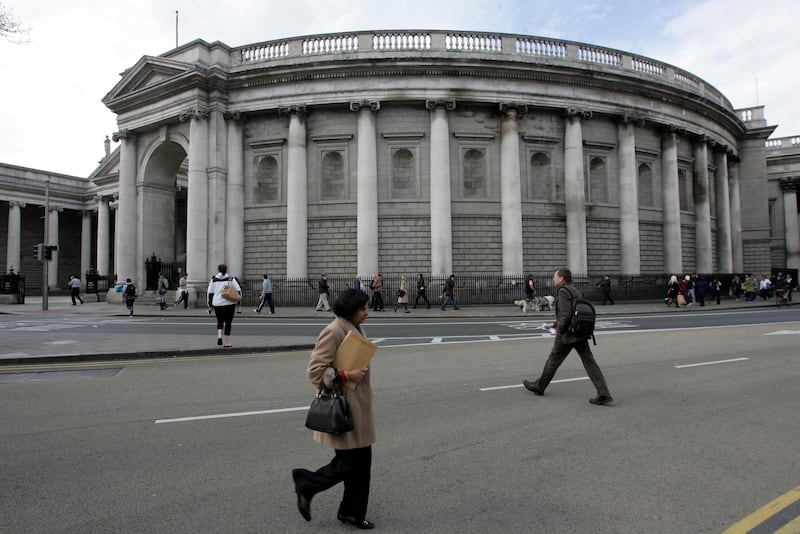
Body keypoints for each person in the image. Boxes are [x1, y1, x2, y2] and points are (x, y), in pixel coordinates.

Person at [292, 289, 376, 530]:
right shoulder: (334, 330)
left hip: (358, 406)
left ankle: (351, 512)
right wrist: (345, 374)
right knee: (350, 464)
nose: (367, 313)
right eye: (362, 309)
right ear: (351, 309)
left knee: (361, 465)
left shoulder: (352, 326)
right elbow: (315, 371)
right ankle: (306, 483)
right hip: (345, 409)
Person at [523, 268, 613, 405]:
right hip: (579, 331)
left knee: (553, 360)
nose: (554, 279)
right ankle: (604, 393)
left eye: (555, 277)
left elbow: (566, 314)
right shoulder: (575, 290)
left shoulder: (563, 291)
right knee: (589, 362)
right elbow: (573, 312)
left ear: (562, 279)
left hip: (568, 334)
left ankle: (539, 386)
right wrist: (554, 323)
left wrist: (558, 330)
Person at [207, 264, 241, 347]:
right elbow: (238, 290)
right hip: (229, 304)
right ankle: (226, 343)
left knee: (220, 321)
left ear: (218, 270)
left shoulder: (214, 280)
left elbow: (210, 293)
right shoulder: (231, 279)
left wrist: (210, 305)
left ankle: (219, 337)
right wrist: (238, 303)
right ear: (226, 270)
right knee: (228, 323)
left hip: (217, 304)